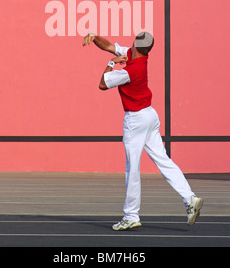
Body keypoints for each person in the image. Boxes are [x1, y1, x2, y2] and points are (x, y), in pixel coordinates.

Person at [83, 31, 204, 231]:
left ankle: (131, 215)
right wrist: (94, 37)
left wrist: (112, 63)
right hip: (150, 116)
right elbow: (109, 46)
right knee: (163, 160)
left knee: (132, 169)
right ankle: (190, 198)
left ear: (136, 44)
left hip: (136, 120)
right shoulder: (136, 54)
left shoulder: (132, 70)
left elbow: (103, 83)